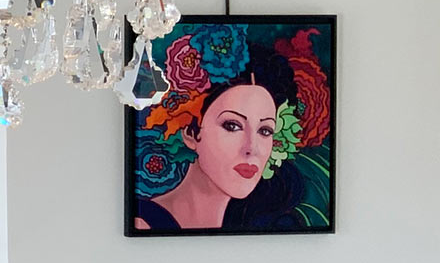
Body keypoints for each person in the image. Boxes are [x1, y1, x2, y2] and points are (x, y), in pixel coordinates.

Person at [132, 24, 329, 232]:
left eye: (265, 131)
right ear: (190, 132)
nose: (251, 148)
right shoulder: (144, 224)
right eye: (232, 126)